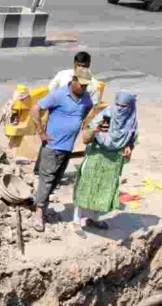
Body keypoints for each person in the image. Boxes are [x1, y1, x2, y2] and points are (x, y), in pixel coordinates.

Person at [32, 68, 95, 231]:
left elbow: (88, 109)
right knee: (46, 179)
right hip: (52, 146)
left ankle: (41, 203)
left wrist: (77, 124)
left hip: (67, 148)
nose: (83, 88)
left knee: (55, 179)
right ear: (73, 80)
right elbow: (35, 109)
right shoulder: (59, 94)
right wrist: (41, 133)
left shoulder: (86, 97)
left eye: (86, 86)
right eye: (81, 85)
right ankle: (38, 213)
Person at [72, 92, 138, 233]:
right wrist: (95, 130)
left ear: (131, 107)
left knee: (102, 190)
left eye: (124, 106)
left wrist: (128, 146)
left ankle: (93, 219)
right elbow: (86, 136)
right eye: (118, 105)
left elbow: (132, 138)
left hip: (113, 160)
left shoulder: (131, 121)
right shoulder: (105, 114)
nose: (119, 109)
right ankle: (76, 221)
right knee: (86, 187)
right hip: (97, 154)